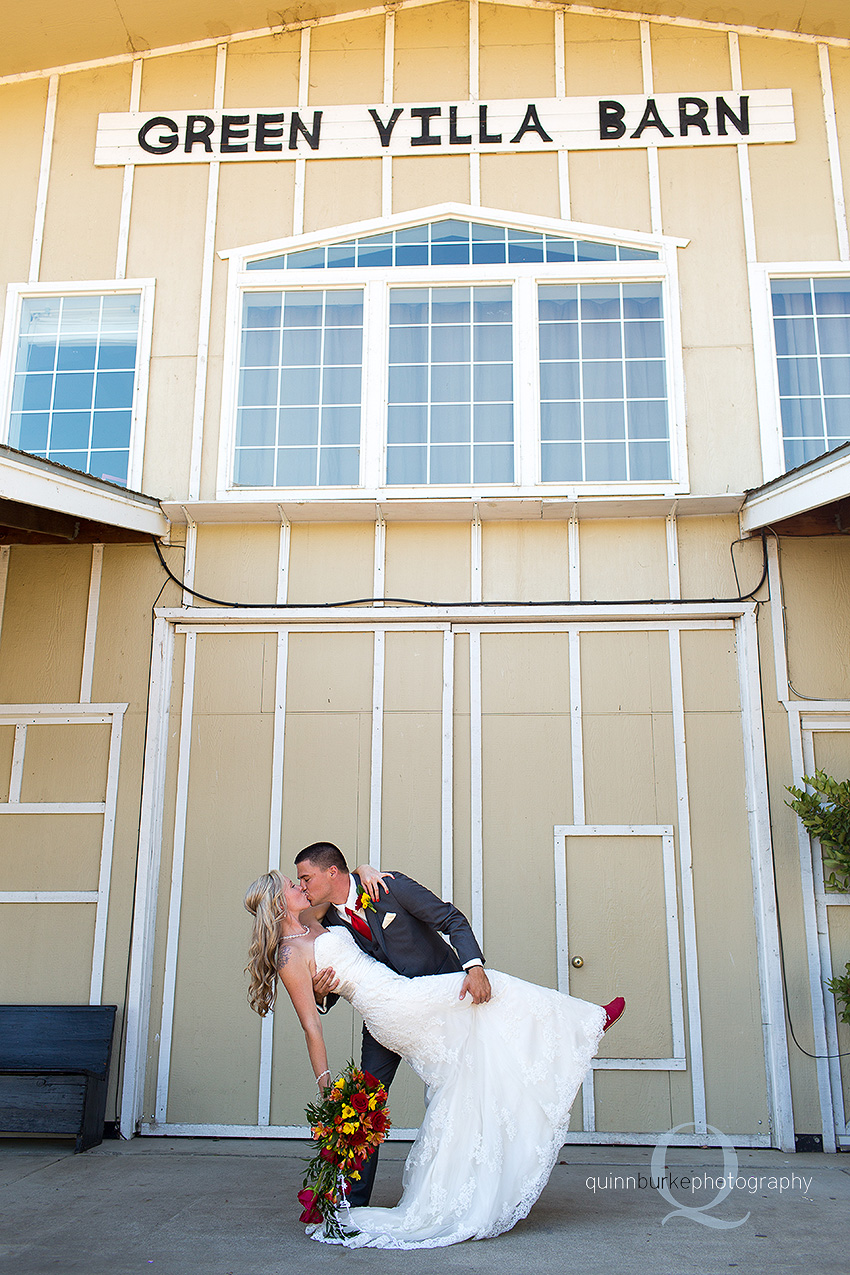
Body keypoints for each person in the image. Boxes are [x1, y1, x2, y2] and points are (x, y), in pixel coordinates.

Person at [243, 866, 626, 1250]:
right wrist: (325, 1083)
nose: (301, 886)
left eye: (303, 879)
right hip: (393, 1006)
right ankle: (586, 1021)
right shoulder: (289, 952)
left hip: (401, 995)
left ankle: (446, 1188)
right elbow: (312, 1021)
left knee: (464, 1074)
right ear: (279, 902)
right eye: (294, 885)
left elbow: (349, 887)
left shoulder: (320, 914)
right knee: (493, 992)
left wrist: (363, 870)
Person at [294, 841, 491, 1208]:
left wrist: (474, 967)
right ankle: (353, 1201)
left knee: (470, 1084)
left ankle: (470, 1187)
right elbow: (342, 982)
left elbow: (451, 919)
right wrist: (323, 993)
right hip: (386, 1018)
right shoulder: (328, 923)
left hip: (443, 1001)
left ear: (332, 872)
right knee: (364, 1103)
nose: (302, 885)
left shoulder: (388, 887)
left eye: (306, 878)